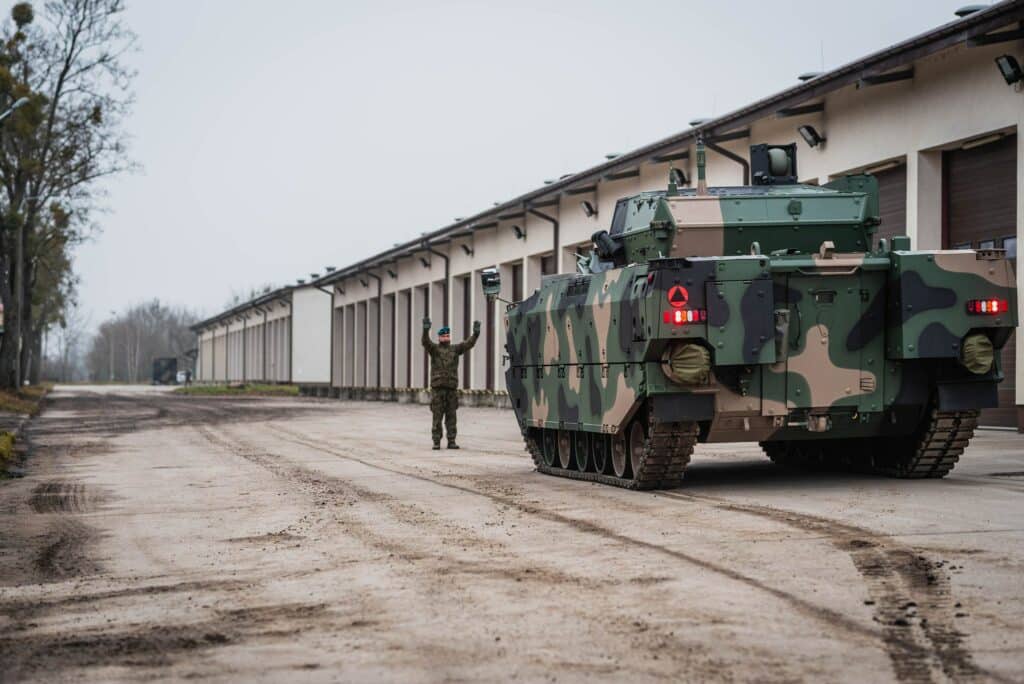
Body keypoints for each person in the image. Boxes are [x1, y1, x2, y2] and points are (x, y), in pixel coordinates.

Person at [422, 317, 480, 450]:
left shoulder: (455, 349)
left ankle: (451, 441)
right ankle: (436, 441)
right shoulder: (435, 349)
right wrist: (425, 331)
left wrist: (475, 334)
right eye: (444, 336)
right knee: (437, 417)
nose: (446, 337)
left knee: (451, 417)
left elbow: (468, 344)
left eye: (448, 335)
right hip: (438, 390)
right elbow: (425, 342)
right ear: (439, 338)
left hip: (451, 390)